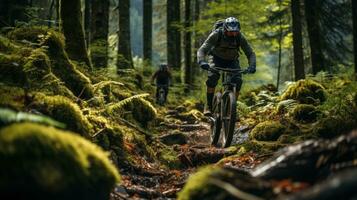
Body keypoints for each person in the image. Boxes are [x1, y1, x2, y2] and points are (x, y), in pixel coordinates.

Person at [197, 17, 256, 114]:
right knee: (213, 77)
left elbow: (250, 53)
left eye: (235, 32)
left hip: (232, 61)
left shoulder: (239, 37)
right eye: (230, 32)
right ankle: (208, 105)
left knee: (238, 81)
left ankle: (232, 107)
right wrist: (201, 61)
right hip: (216, 59)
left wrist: (252, 65)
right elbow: (202, 50)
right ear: (225, 29)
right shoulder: (216, 34)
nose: (233, 34)